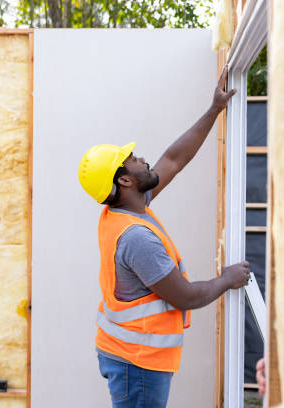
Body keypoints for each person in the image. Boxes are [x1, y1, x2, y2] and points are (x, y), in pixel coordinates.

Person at [77, 65, 251, 408]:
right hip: (136, 362)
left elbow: (174, 159)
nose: (142, 159)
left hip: (125, 353)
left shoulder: (128, 208)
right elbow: (185, 296)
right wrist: (228, 279)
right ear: (124, 181)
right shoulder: (137, 238)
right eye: (133, 160)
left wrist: (214, 109)